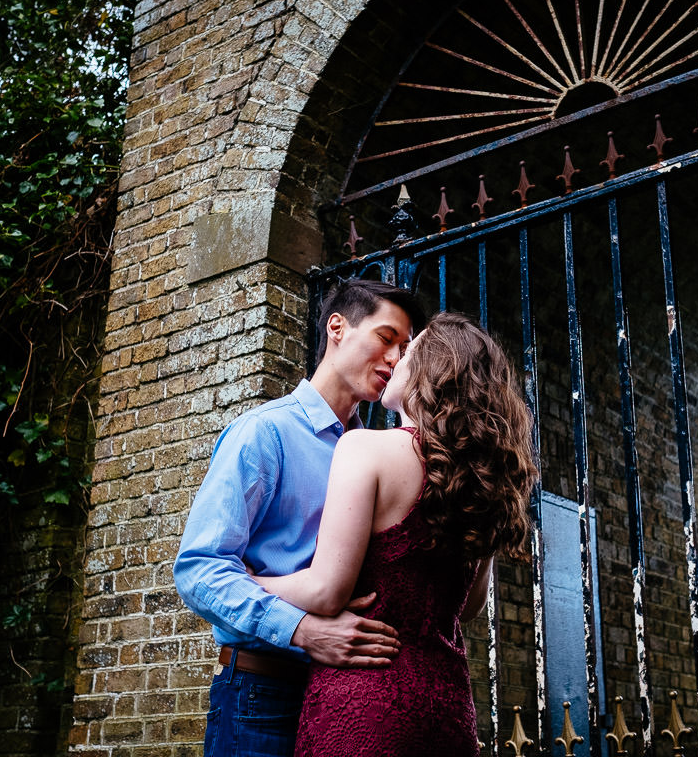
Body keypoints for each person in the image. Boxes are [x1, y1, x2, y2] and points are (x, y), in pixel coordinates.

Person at [252, 311, 538, 756]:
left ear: (431, 371)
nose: (396, 361)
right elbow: (470, 606)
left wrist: (249, 580)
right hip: (447, 707)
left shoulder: (366, 448)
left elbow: (326, 590)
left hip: (366, 700)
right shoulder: (484, 479)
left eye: (409, 352)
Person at [173, 278, 426, 757]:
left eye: (404, 348)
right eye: (385, 338)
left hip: (351, 700)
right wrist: (303, 630)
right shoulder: (264, 433)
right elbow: (199, 570)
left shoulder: (379, 453)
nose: (396, 359)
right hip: (262, 697)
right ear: (337, 328)